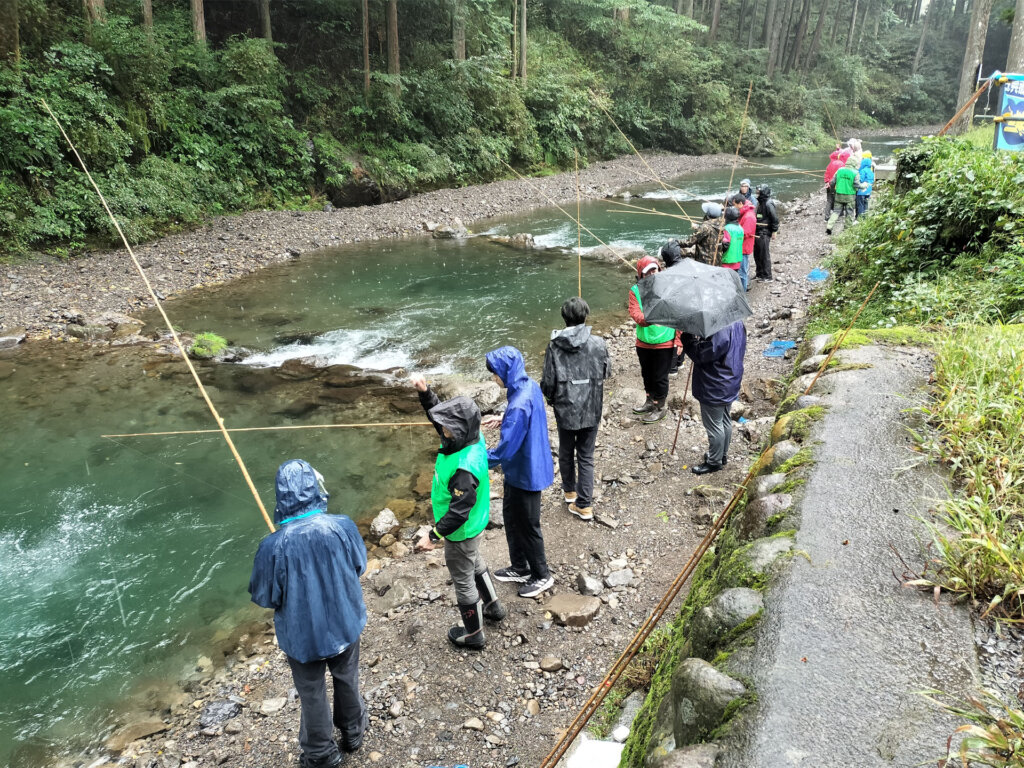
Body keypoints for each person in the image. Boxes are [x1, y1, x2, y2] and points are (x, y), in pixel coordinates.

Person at [249, 460, 368, 768]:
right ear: (315, 488)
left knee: (312, 692)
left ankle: (321, 753)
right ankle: (353, 731)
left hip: (303, 638)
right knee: (346, 676)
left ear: (281, 496)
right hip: (345, 622)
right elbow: (359, 567)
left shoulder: (271, 545)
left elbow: (265, 597)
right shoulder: (342, 525)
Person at [409, 377, 505, 649]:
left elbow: (458, 513)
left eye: (446, 426)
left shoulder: (464, 469)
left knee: (463, 580)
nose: (441, 428)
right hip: (474, 526)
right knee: (474, 562)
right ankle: (493, 606)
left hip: (461, 530)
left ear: (457, 429)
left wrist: (434, 535)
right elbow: (441, 414)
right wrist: (426, 392)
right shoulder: (470, 436)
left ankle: (474, 634)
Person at [484, 346, 556, 598]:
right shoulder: (528, 386)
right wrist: (503, 418)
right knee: (512, 519)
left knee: (528, 524)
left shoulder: (518, 404)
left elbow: (504, 450)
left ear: (506, 371)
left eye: (495, 373)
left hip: (527, 471)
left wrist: (477, 459)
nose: (494, 378)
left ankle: (541, 575)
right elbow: (519, 418)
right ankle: (519, 567)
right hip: (522, 469)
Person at [541, 297, 612, 523]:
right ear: (585, 316)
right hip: (591, 407)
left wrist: (552, 400)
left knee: (565, 451)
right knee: (586, 456)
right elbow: (607, 372)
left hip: (565, 408)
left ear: (564, 318)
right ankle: (584, 505)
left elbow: (548, 382)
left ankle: (570, 492)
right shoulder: (599, 344)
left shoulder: (554, 346)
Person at [681, 320, 747, 475]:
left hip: (715, 384)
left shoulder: (719, 327)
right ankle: (721, 455)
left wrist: (688, 339)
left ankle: (714, 462)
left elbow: (703, 355)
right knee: (724, 419)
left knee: (714, 424)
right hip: (730, 378)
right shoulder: (737, 321)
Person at [628, 256, 677, 424]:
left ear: (659, 270)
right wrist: (650, 317)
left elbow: (678, 315)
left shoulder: (669, 288)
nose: (652, 273)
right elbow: (635, 314)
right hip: (643, 341)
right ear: (641, 274)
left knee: (660, 376)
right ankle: (649, 401)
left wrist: (679, 340)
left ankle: (659, 407)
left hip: (665, 340)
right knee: (647, 374)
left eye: (654, 269)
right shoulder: (635, 290)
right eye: (647, 271)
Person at [753, 185, 779, 282]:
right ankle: (759, 273)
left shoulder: (768, 203)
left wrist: (774, 231)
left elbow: (775, 219)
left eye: (758, 191)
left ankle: (767, 276)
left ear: (763, 192)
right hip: (757, 230)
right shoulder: (760, 202)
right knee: (757, 253)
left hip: (764, 232)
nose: (757, 193)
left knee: (764, 254)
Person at [731, 193, 756, 291]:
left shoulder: (749, 216)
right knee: (741, 270)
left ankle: (743, 292)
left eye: (735, 205)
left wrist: (732, 234)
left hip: (744, 247)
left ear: (740, 203)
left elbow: (745, 233)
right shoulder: (744, 213)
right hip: (740, 246)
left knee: (742, 272)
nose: (734, 207)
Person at [828, 155, 858, 234]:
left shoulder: (839, 170)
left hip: (839, 195)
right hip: (850, 197)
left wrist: (832, 190)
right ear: (854, 163)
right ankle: (846, 230)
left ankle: (829, 227)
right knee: (849, 213)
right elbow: (857, 185)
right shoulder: (855, 172)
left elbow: (832, 182)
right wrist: (864, 185)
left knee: (836, 212)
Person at [720, 206, 745, 277]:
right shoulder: (740, 228)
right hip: (737, 259)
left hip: (727, 260)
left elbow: (725, 245)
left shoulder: (727, 229)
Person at [823, 145, 844, 220]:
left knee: (829, 201)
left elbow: (826, 175)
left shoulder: (830, 164)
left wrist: (827, 182)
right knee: (838, 200)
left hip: (829, 185)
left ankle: (826, 217)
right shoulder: (842, 164)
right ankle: (838, 215)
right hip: (837, 185)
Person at [856, 151, 874, 219]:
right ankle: (865, 217)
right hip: (869, 190)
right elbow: (872, 180)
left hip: (862, 191)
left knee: (860, 204)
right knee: (866, 203)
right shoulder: (871, 171)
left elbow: (860, 180)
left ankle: (860, 218)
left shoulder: (863, 170)